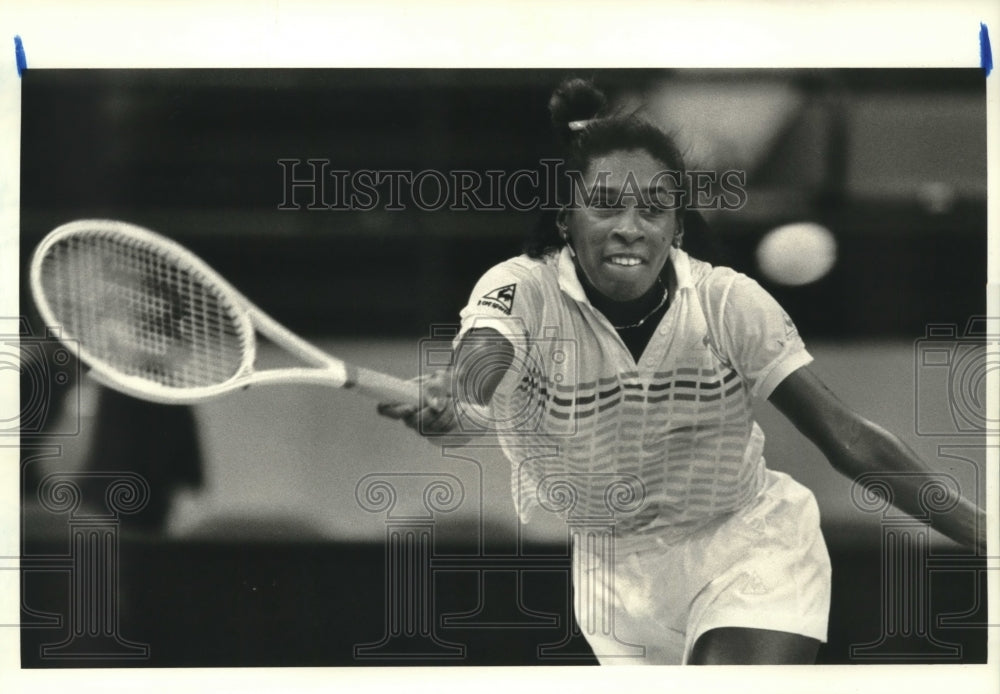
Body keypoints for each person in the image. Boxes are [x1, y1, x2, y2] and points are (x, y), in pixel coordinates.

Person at [378, 78, 985, 665]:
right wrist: (452, 397)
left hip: (748, 547)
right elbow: (476, 373)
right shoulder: (521, 290)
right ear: (566, 219)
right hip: (614, 586)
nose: (630, 227)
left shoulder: (729, 303)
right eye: (605, 205)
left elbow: (848, 439)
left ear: (677, 227)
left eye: (653, 209)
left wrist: (988, 534)